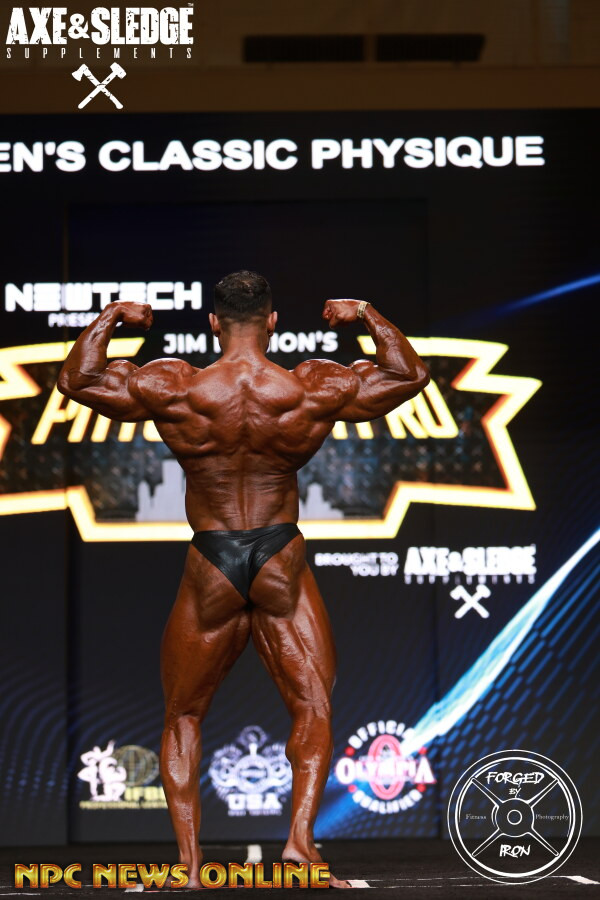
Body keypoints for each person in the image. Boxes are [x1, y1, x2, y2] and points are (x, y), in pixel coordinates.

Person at [58, 270, 430, 888]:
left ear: (213, 323)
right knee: (312, 705)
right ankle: (300, 848)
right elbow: (407, 375)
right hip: (280, 556)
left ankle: (188, 868)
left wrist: (114, 316)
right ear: (273, 322)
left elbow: (79, 380)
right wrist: (366, 312)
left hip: (212, 560)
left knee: (183, 714)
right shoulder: (309, 386)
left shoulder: (176, 385)